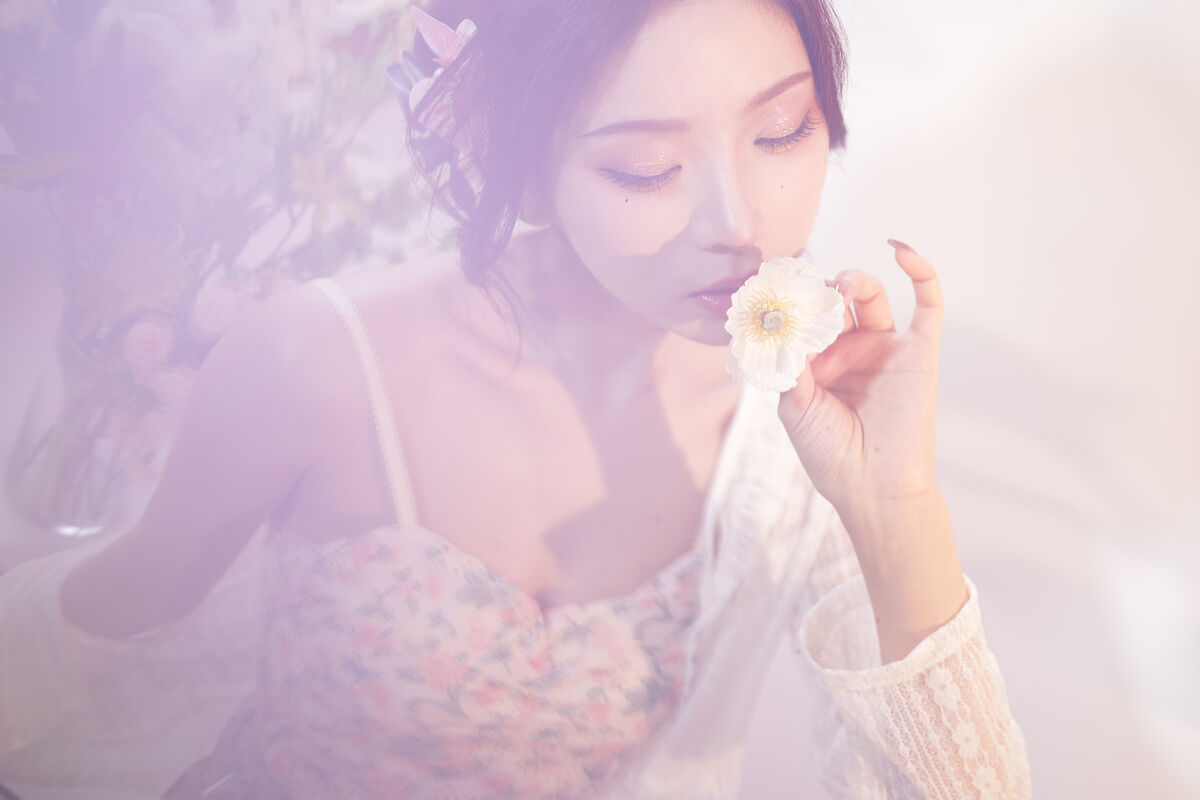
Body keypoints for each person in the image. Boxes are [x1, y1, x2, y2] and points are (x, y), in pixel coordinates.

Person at [9, 0, 1031, 797]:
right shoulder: (312, 361)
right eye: (646, 167)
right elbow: (100, 633)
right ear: (520, 163)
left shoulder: (802, 415)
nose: (739, 223)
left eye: (782, 131)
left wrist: (897, 512)